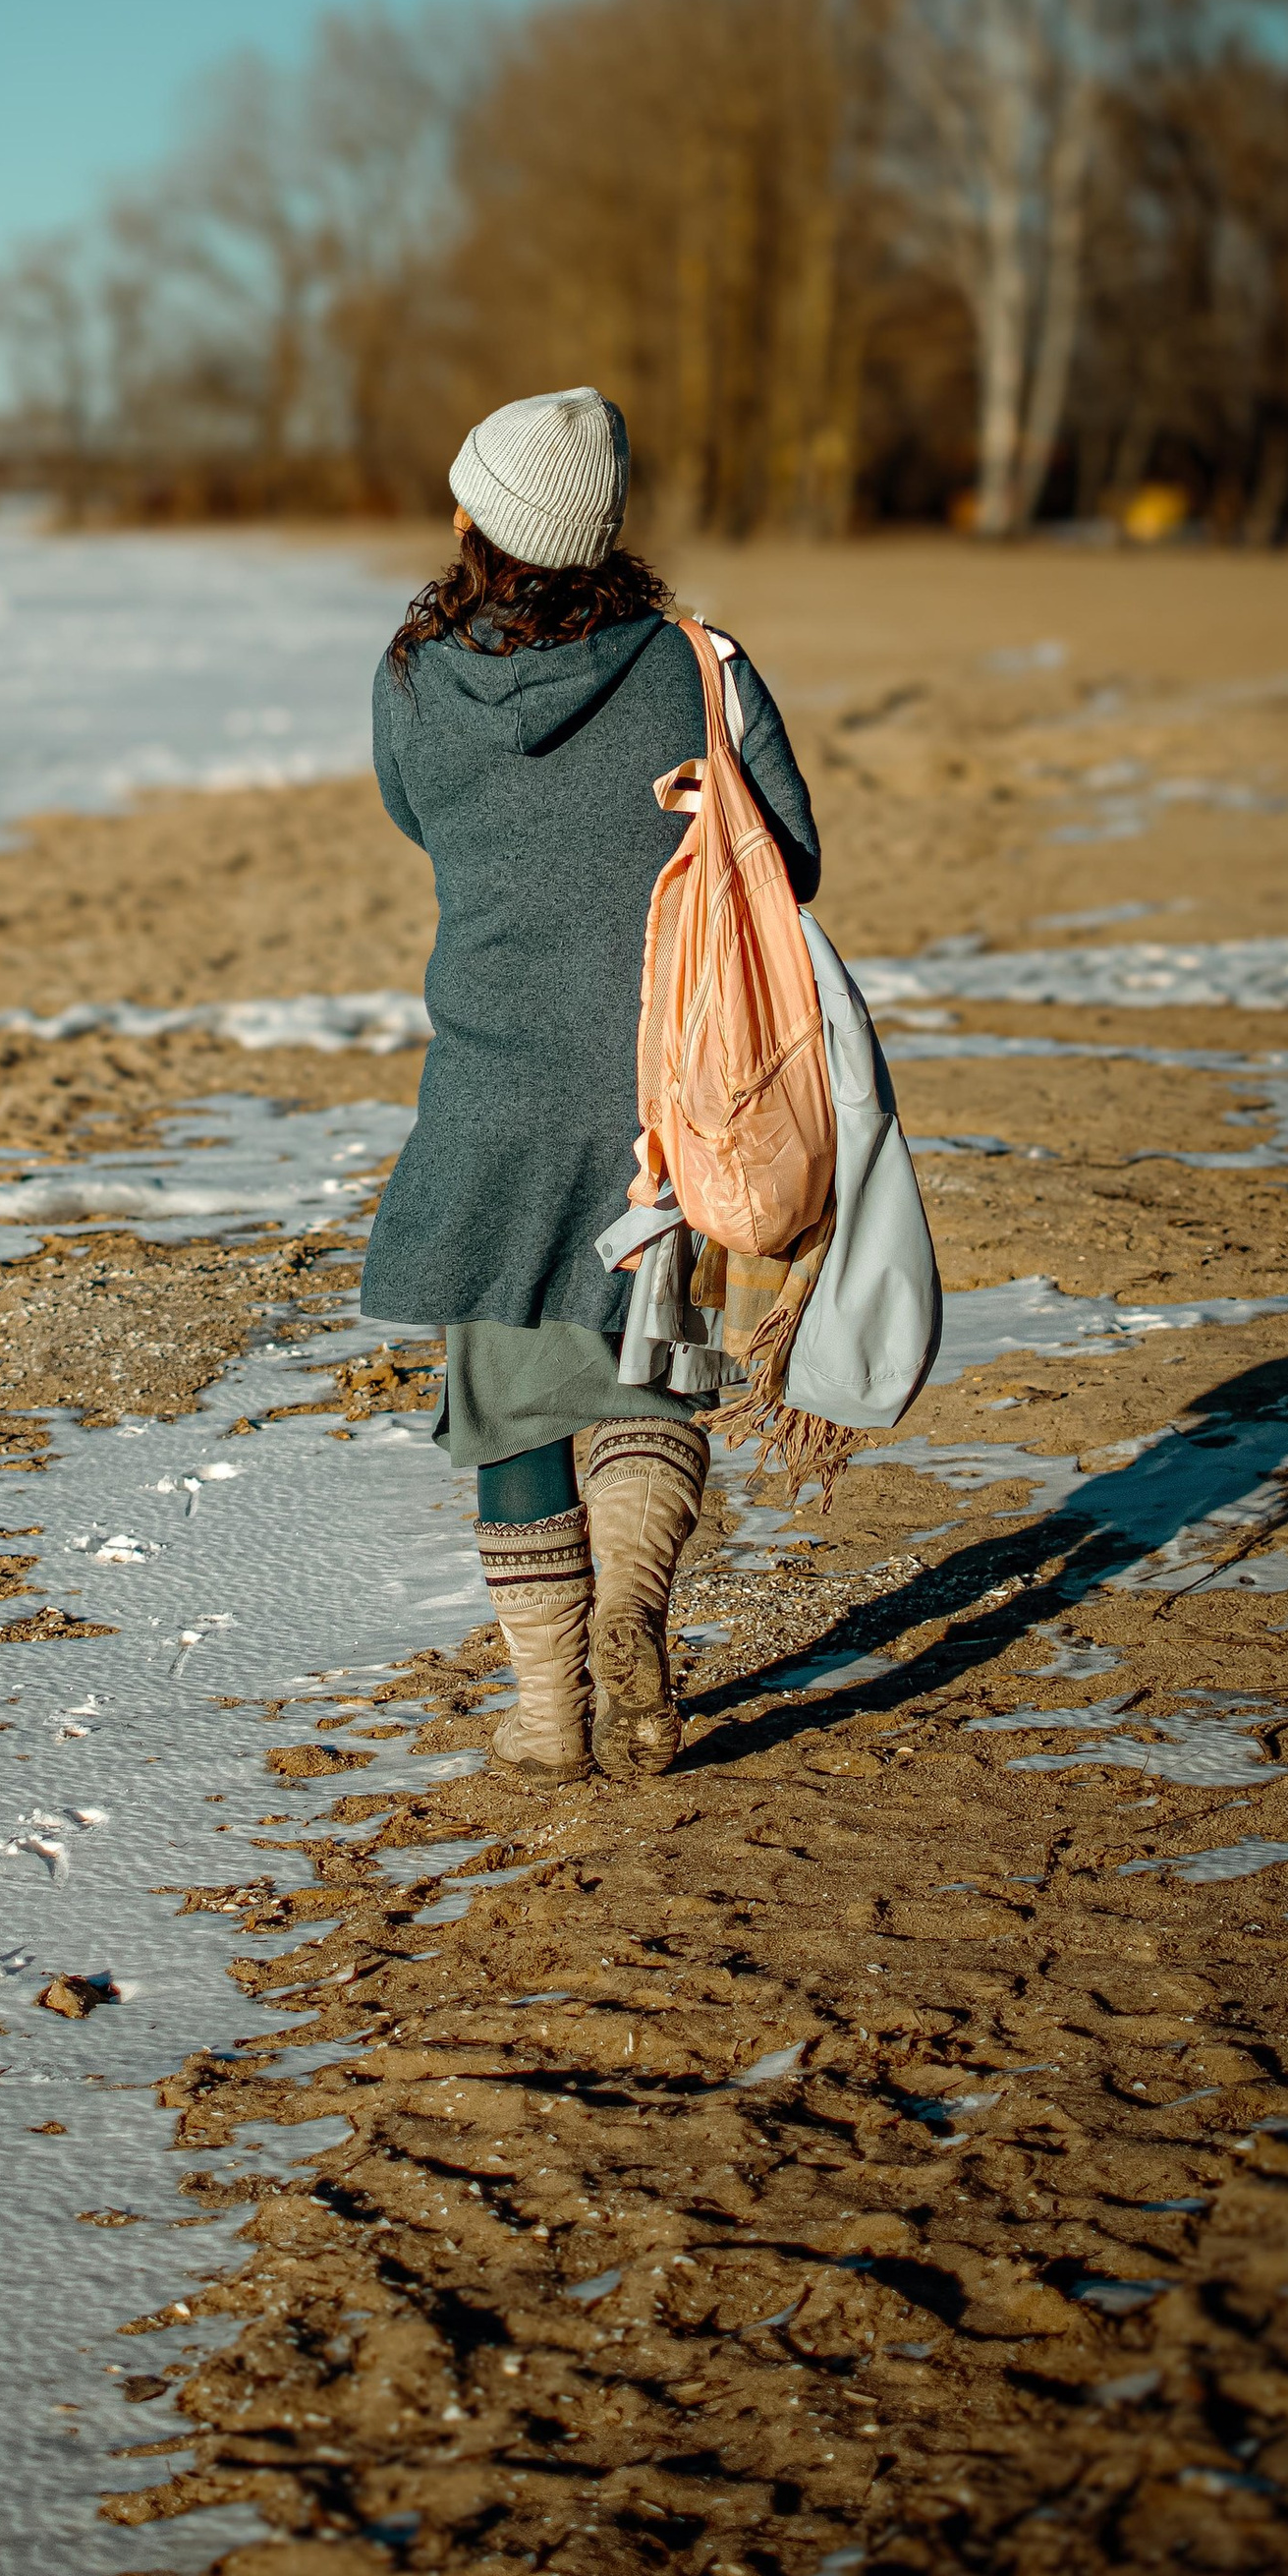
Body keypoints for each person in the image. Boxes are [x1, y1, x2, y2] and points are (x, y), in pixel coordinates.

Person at [359, 386, 820, 1783]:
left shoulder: (412, 676)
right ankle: (633, 1616)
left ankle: (551, 1717)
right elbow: (785, 862)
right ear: (606, 529)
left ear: (471, 519)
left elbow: (413, 817)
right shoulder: (700, 662)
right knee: (645, 1382)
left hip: (490, 1091)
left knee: (510, 1400)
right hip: (664, 1092)